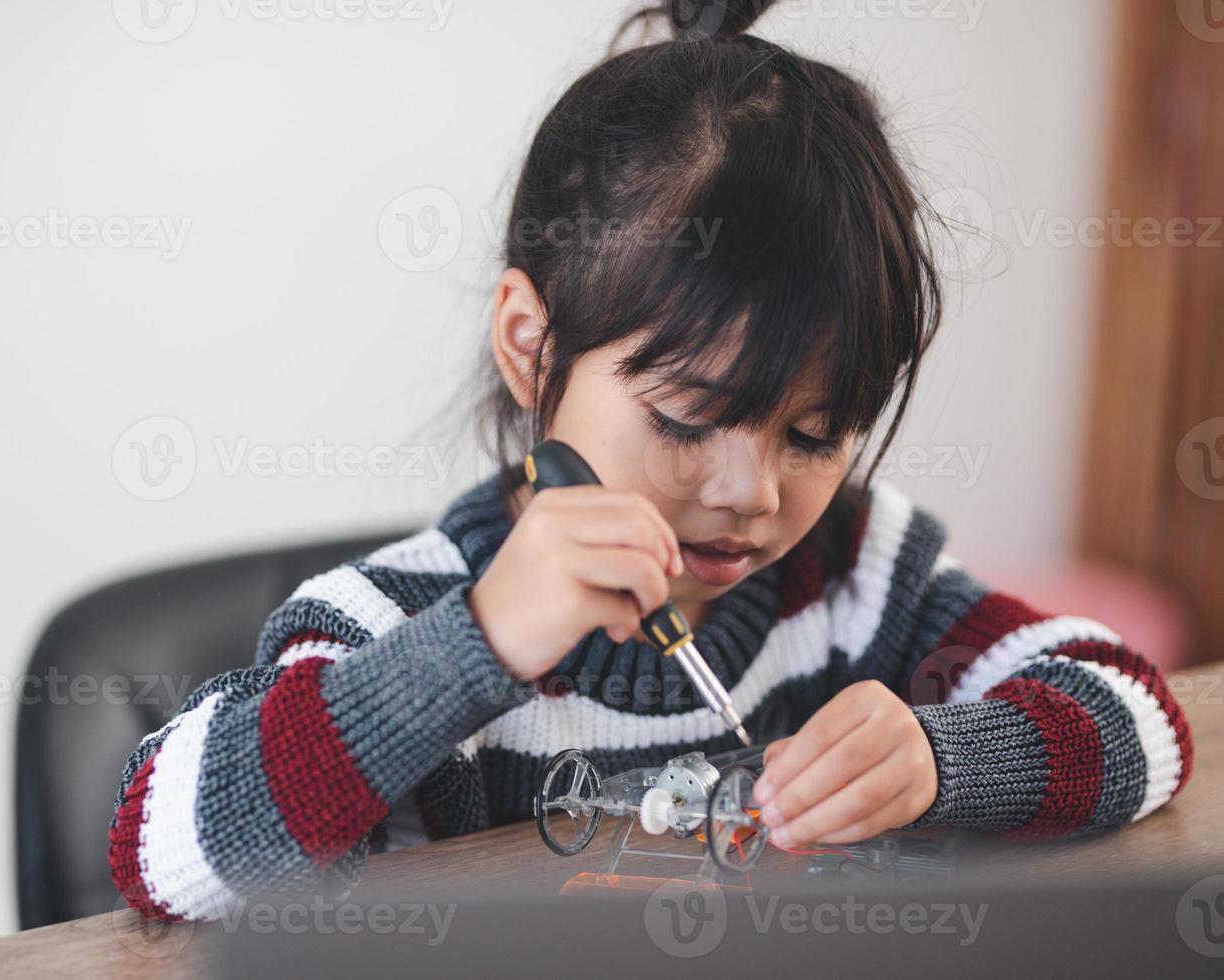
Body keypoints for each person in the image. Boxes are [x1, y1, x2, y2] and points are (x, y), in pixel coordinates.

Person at [108, 0, 1192, 921]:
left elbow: (1137, 710)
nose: (752, 494)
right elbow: (161, 850)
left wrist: (945, 756)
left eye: (816, 434)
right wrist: (473, 648)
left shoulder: (858, 572)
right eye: (686, 419)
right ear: (533, 346)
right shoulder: (393, 620)